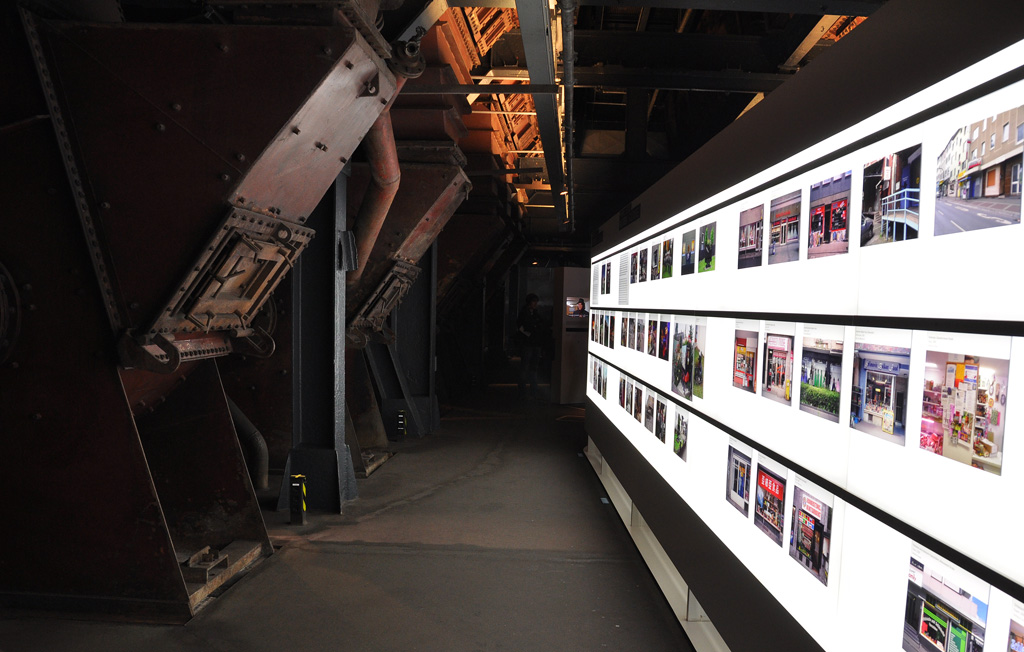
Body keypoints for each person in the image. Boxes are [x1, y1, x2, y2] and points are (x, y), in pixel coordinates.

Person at [517, 294, 545, 398]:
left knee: (527, 366)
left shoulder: (526, 313)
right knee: (531, 367)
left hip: (530, 343)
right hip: (531, 343)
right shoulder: (531, 314)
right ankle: (531, 389)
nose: (535, 304)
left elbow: (522, 327)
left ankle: (524, 390)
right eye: (534, 302)